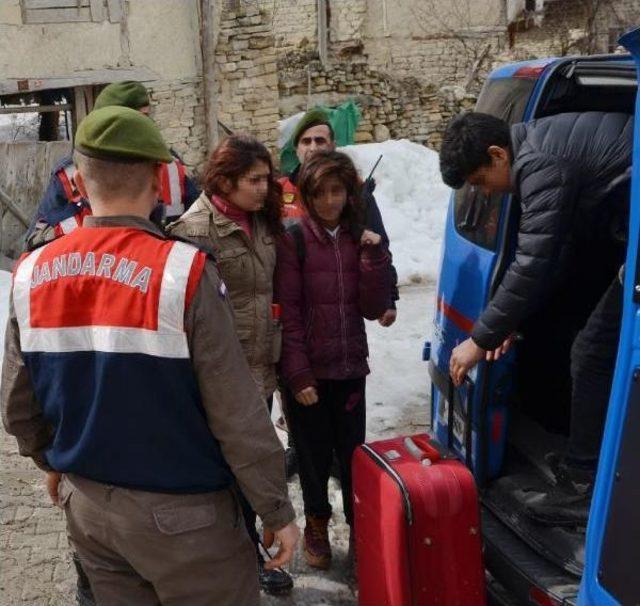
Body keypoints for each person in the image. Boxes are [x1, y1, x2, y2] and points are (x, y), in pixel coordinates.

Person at [1, 106, 299, 606]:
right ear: (161, 179)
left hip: (91, 512)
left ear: (78, 180)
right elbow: (238, 412)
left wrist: (52, 460)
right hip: (188, 523)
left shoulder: (30, 274)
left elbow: (15, 404)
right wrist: (276, 511)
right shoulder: (182, 272)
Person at [440, 111, 633, 526]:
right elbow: (555, 253)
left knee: (591, 351)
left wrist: (481, 339)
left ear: (497, 155)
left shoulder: (540, 163)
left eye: (479, 182)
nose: (486, 194)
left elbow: (532, 262)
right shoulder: (536, 146)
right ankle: (586, 463)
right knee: (585, 340)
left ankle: (583, 486)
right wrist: (512, 322)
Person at [167, 134, 293, 595]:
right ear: (226, 179)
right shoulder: (194, 230)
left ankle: (253, 554)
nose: (265, 188)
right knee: (225, 477)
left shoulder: (260, 221)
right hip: (220, 379)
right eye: (254, 179)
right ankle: (230, 565)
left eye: (267, 178)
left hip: (262, 369)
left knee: (254, 469)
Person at [275, 150, 392, 569]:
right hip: (309, 375)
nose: (329, 201)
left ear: (349, 192)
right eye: (320, 193)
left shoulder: (356, 236)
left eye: (337, 191)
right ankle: (317, 523)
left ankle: (361, 527)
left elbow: (371, 307)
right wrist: (298, 373)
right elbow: (286, 312)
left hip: (349, 367)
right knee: (311, 454)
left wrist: (374, 257)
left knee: (352, 455)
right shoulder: (295, 240)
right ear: (306, 195)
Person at [26, 80, 199, 249]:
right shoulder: (68, 175)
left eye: (143, 120)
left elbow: (201, 231)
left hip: (160, 272)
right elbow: (35, 245)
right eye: (122, 123)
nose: (136, 131)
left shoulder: (171, 168)